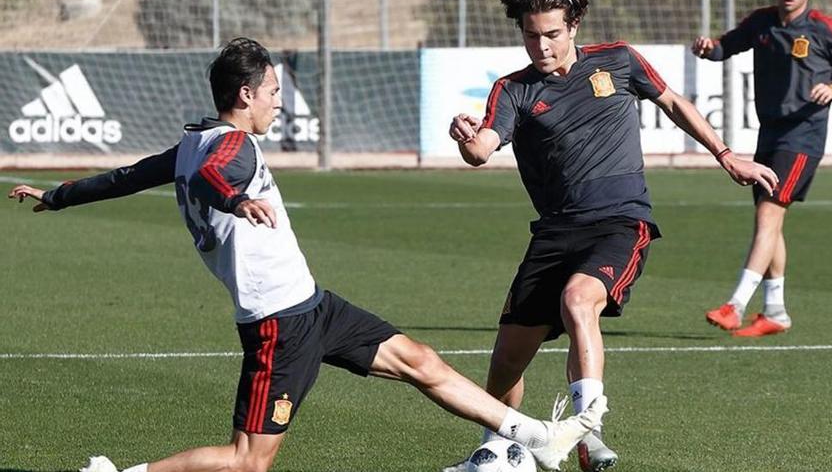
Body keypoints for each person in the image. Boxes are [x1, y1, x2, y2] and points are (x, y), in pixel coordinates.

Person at [8, 37, 608, 472]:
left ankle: (535, 436)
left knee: (418, 360)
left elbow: (127, 175)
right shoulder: (231, 148)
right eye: (271, 91)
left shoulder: (194, 141)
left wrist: (61, 195)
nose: (278, 101)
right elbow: (222, 174)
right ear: (245, 95)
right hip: (280, 325)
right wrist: (236, 199)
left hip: (313, 306)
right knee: (248, 462)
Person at [443, 0, 778, 471]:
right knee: (508, 358)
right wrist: (465, 136)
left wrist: (725, 154)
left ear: (573, 25)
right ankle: (496, 447)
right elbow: (481, 148)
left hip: (620, 222)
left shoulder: (618, 59)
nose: (542, 45)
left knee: (579, 301)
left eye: (552, 34)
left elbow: (674, 103)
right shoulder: (512, 89)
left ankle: (585, 429)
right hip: (554, 233)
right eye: (532, 36)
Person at [693, 0, 832, 337]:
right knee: (771, 223)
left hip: (803, 137)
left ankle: (735, 305)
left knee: (768, 213)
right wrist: (707, 48)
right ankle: (775, 311)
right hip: (769, 132)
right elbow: (725, 47)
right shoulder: (761, 22)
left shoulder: (822, 26)